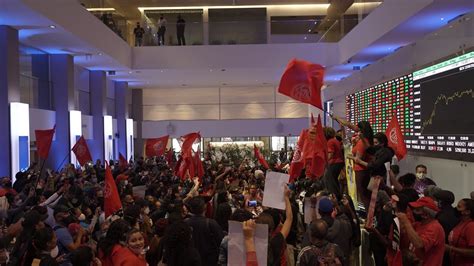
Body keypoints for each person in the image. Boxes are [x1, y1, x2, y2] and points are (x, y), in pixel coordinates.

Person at [397, 196, 445, 265]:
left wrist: (405, 221)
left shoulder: (435, 227)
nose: (413, 212)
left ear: (426, 214)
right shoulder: (418, 225)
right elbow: (403, 231)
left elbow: (419, 244)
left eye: (417, 210)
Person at [184, 196, 224, 266]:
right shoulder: (211, 223)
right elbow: (221, 241)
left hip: (191, 260)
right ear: (204, 208)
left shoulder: (185, 223)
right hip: (209, 260)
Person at [446, 198, 474, 265]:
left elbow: (473, 252)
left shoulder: (471, 226)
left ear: (467, 212)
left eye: (459, 207)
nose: (455, 209)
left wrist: (451, 249)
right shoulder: (460, 222)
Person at [323, 127, 344, 199]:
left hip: (334, 163)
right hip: (338, 163)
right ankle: (337, 197)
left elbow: (330, 154)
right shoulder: (334, 141)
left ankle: (334, 198)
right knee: (334, 181)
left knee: (330, 182)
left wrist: (324, 162)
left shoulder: (330, 142)